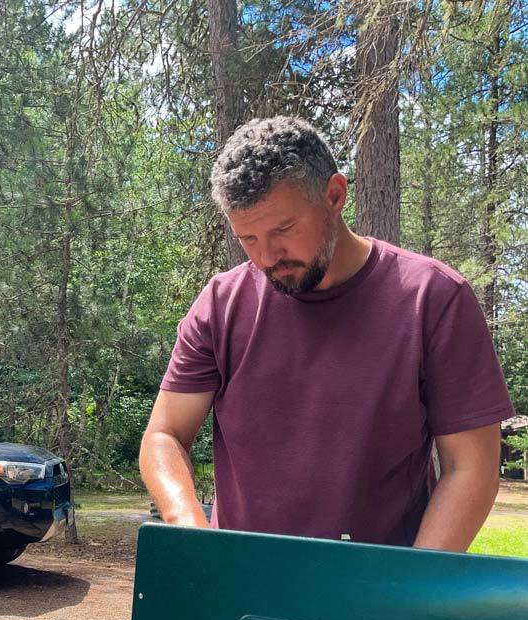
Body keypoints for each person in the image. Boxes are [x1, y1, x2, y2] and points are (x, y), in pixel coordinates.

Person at [139, 116, 514, 551]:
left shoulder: (433, 298)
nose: (267, 256)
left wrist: (411, 591)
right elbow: (164, 435)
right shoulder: (222, 305)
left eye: (283, 230)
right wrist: (192, 534)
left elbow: (470, 466)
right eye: (248, 238)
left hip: (380, 584)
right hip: (245, 586)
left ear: (334, 195)